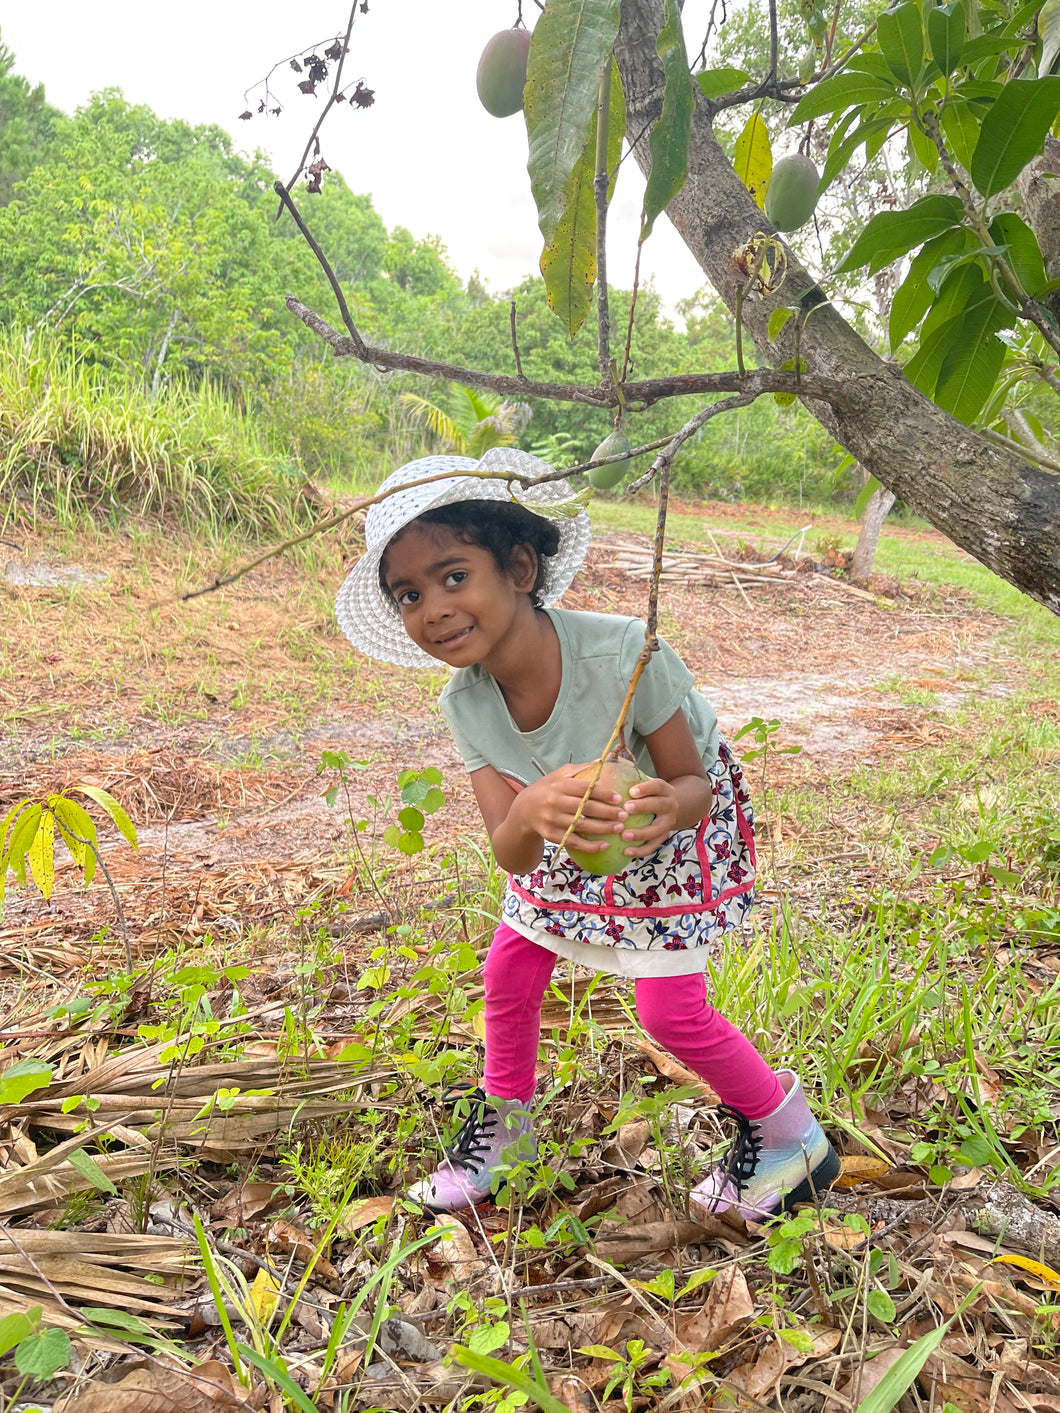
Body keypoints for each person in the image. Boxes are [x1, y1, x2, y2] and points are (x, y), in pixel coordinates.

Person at [336, 447, 839, 1221]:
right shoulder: (464, 704)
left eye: (453, 575)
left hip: (667, 828)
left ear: (521, 569)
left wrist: (665, 809)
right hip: (566, 825)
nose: (431, 607)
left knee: (670, 1012)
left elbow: (692, 784)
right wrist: (532, 808)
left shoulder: (620, 653)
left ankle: (789, 1134)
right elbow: (510, 850)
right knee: (510, 965)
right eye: (408, 593)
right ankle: (507, 1133)